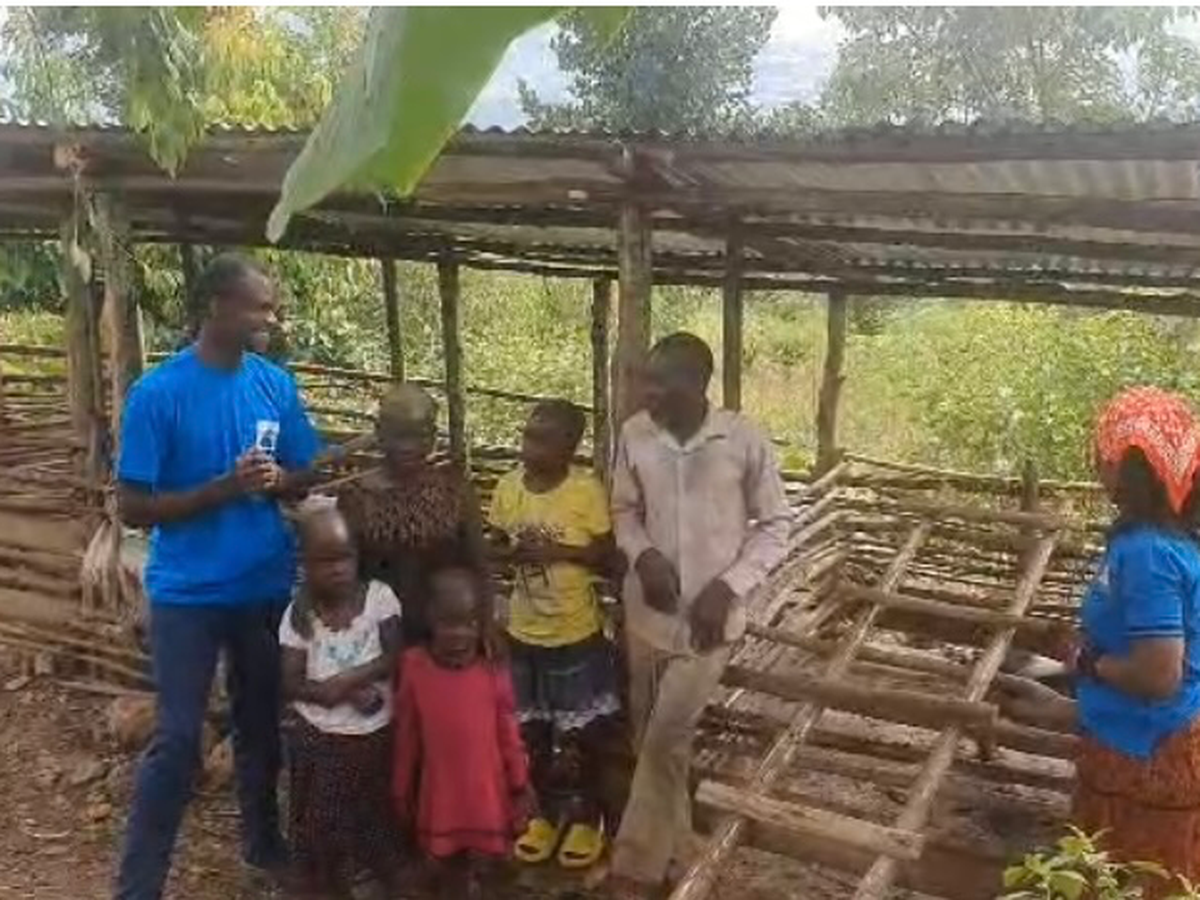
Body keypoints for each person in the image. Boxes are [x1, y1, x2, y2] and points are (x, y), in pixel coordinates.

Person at [114, 254, 322, 899]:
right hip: (187, 595)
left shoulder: (273, 384)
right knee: (178, 738)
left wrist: (280, 480)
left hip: (262, 585)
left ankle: (263, 846)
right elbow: (133, 506)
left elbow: (306, 469)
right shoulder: (158, 393)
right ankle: (138, 885)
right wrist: (222, 489)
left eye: (273, 307)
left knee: (260, 725)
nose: (272, 318)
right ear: (215, 307)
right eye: (259, 307)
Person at [607, 332, 791, 897]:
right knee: (654, 742)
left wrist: (730, 586)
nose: (646, 392)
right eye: (645, 380)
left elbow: (777, 525)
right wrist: (644, 555)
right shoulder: (635, 434)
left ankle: (633, 868)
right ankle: (681, 856)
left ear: (696, 383)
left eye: (659, 382)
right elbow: (623, 510)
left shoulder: (742, 439)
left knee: (665, 738)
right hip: (647, 617)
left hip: (709, 626)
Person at [1001, 387, 1200, 896]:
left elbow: (1160, 676)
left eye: (1103, 452)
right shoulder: (1169, 541)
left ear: (1126, 466)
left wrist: (1085, 662)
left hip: (1147, 754)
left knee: (1131, 881)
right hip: (1143, 744)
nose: (1096, 463)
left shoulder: (1148, 552)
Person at [488, 399, 619, 870]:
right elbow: (496, 543)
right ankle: (543, 814)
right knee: (532, 732)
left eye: (543, 440)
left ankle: (586, 819)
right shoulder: (508, 488)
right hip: (524, 631)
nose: (530, 447)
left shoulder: (585, 491)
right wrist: (510, 553)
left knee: (582, 733)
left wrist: (557, 551)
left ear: (570, 446)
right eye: (528, 436)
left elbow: (606, 555)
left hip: (575, 631)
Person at [279, 499, 403, 898]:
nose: (338, 569)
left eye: (345, 558)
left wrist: (350, 680)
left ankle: (371, 876)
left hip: (373, 734)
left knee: (371, 811)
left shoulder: (379, 600)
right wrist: (325, 693)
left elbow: (396, 656)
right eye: (325, 561)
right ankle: (324, 882)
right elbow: (289, 682)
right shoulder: (299, 616)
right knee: (320, 820)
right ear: (305, 564)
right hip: (320, 737)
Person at [392, 567, 533, 900]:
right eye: (448, 624)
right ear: (430, 620)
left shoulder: (492, 670)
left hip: (487, 796)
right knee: (448, 868)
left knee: (489, 866)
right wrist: (401, 789)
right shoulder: (415, 668)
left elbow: (509, 735)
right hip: (441, 797)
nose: (458, 635)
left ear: (480, 624)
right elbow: (407, 737)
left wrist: (520, 784)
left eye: (468, 624)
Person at [338, 384, 489, 645]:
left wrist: (486, 623)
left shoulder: (455, 490)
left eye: (419, 435)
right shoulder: (357, 496)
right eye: (399, 435)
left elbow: (479, 564)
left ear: (433, 436)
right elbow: (342, 572)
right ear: (380, 432)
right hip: (376, 636)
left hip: (444, 639)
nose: (409, 447)